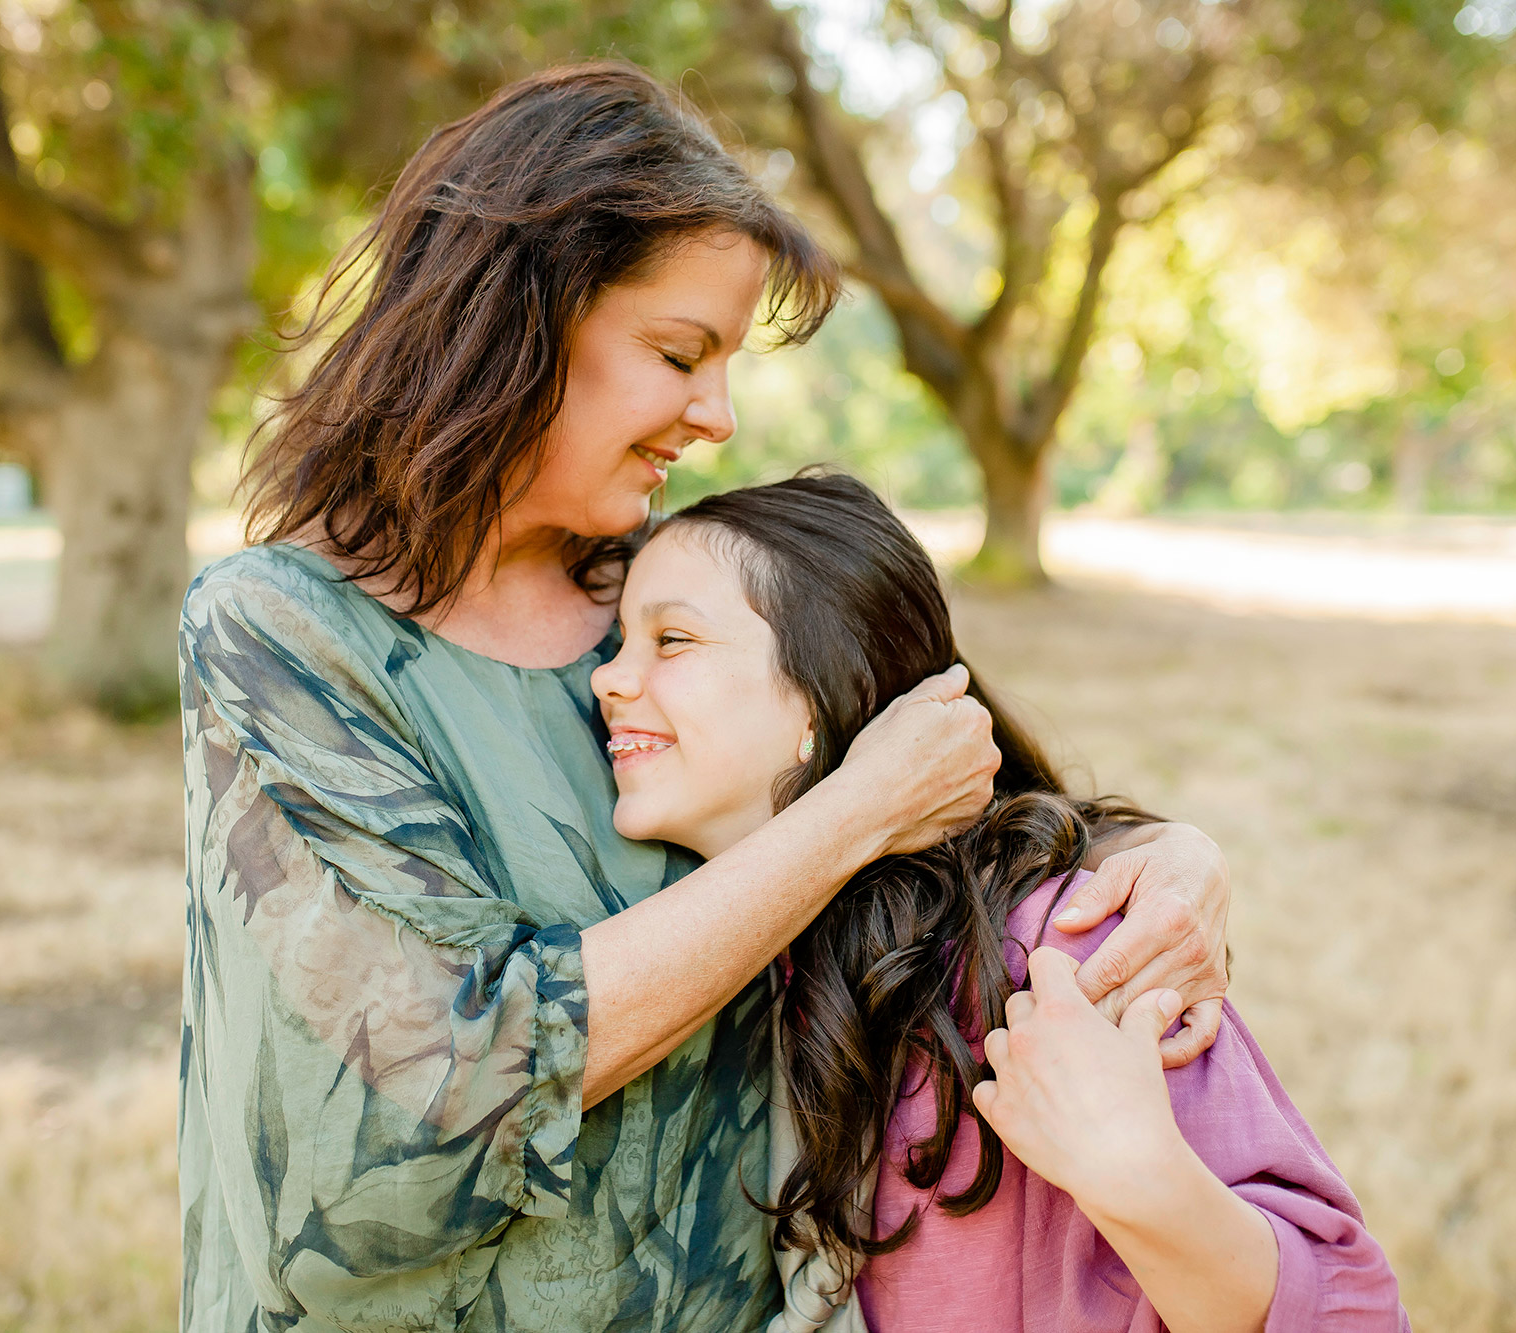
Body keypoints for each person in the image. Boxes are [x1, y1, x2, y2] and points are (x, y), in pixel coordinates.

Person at [179, 63, 1235, 1332]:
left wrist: (1166, 855)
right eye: (679, 353)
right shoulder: (280, 633)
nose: (718, 415)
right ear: (515, 319)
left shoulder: (670, 584)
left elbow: (949, 775)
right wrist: (843, 818)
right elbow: (453, 1070)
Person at [592, 472, 1408, 1333]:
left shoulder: (1057, 953)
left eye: (670, 639)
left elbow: (1352, 1312)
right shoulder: (746, 954)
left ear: (823, 691)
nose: (609, 678)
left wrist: (1141, 1179)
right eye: (616, 644)